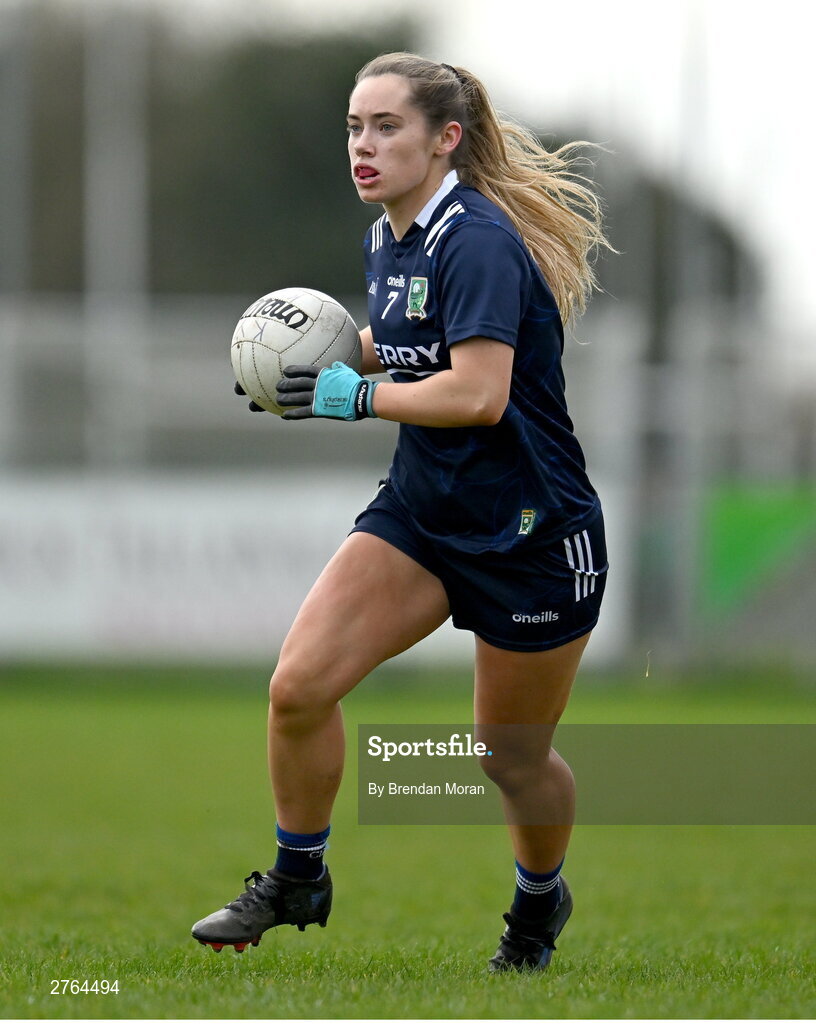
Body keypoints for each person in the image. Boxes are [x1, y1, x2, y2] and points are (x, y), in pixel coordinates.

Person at [192, 51, 611, 972]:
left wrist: (355, 398)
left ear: (444, 139)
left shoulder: (478, 239)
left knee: (509, 757)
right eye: (353, 126)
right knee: (298, 688)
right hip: (424, 515)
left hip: (532, 536)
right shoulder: (391, 234)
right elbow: (416, 339)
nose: (363, 146)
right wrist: (317, 364)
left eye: (386, 127)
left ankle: (538, 903)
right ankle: (299, 874)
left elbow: (479, 394)